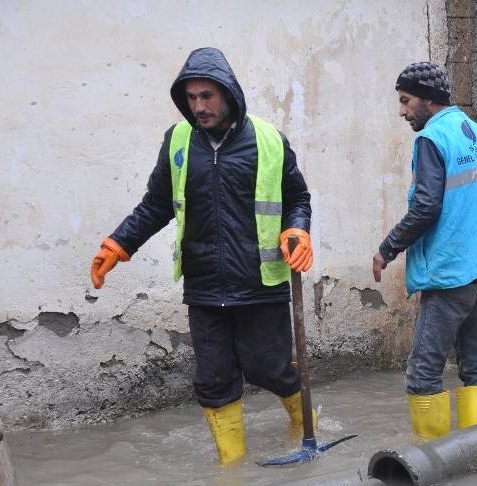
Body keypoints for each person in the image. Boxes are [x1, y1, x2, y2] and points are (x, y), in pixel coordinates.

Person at [90, 47, 314, 464]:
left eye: (207, 96)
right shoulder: (177, 142)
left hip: (259, 281)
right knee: (212, 380)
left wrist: (297, 228)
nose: (199, 106)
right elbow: (156, 204)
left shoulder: (268, 140)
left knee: (270, 369)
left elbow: (296, 196)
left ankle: (304, 425)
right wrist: (119, 244)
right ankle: (231, 473)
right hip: (204, 284)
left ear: (229, 94)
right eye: (192, 98)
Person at [373, 61, 477, 439]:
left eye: (405, 101)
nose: (402, 111)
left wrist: (388, 248)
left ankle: (432, 471)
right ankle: (475, 456)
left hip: (450, 272)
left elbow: (425, 206)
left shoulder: (432, 139)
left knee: (423, 374)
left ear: (428, 99)